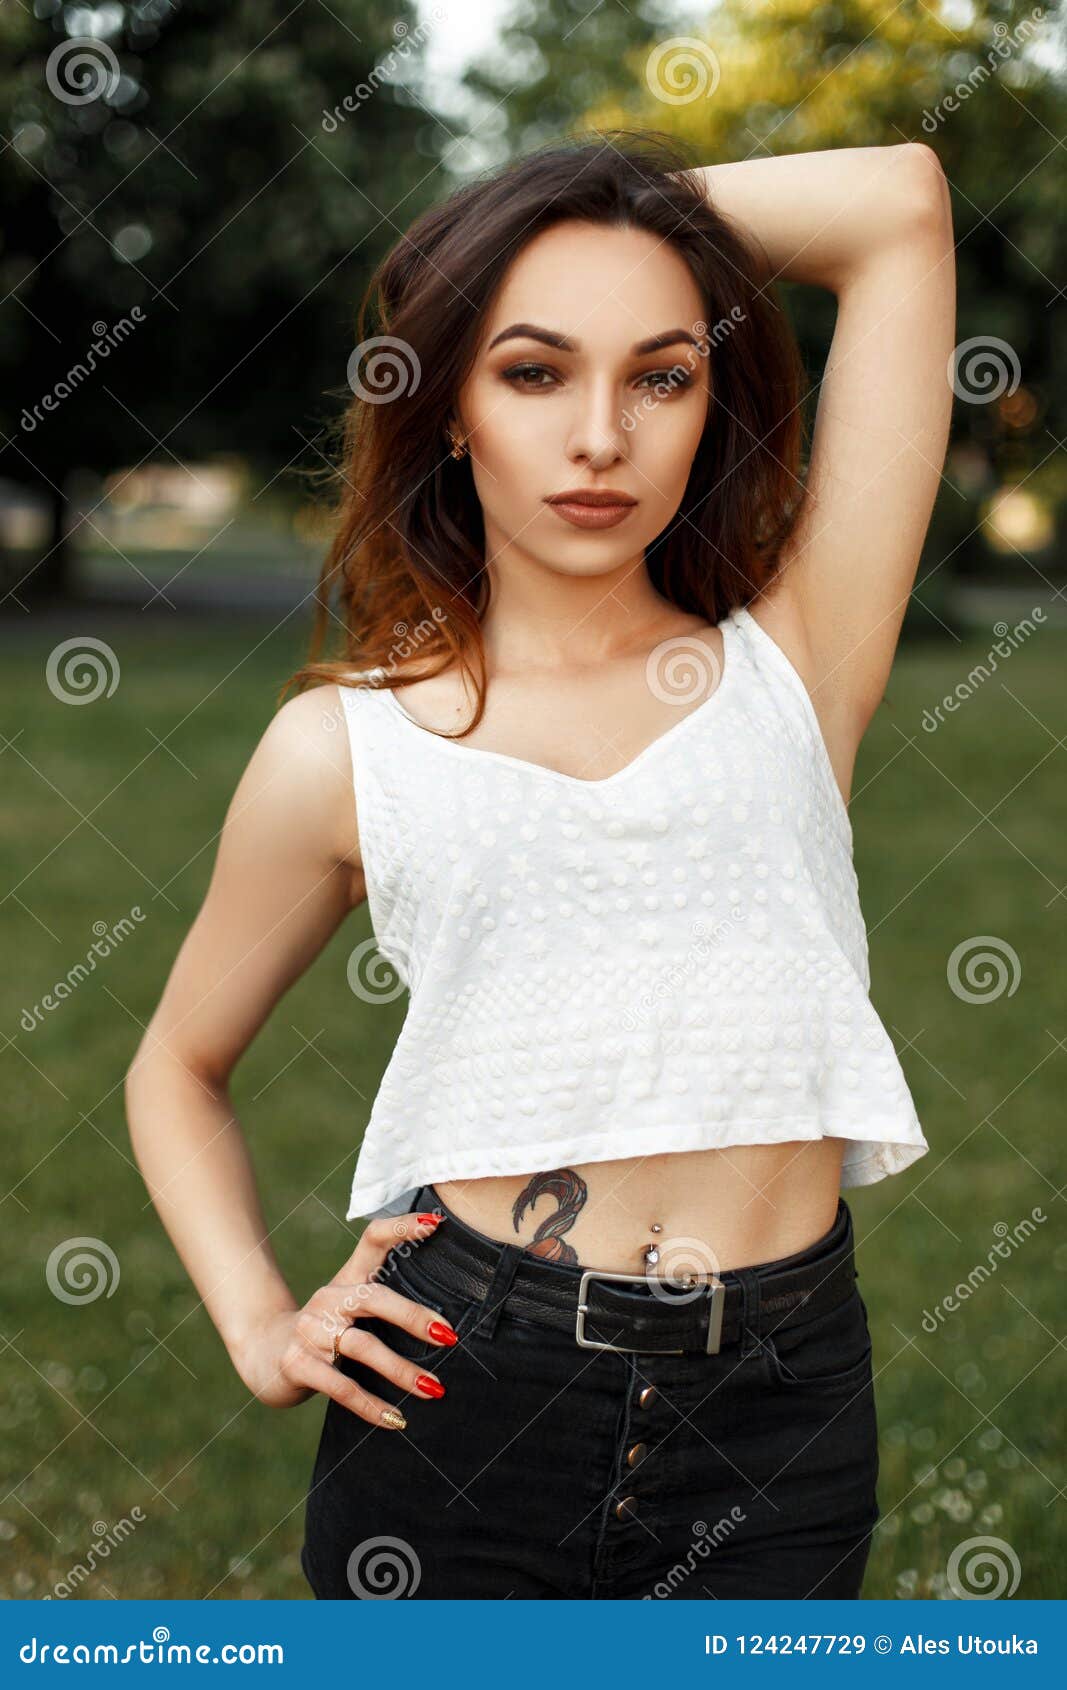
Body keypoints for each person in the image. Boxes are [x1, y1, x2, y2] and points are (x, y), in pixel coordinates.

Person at [125, 131, 954, 1600]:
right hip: (465, 1395)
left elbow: (897, 202)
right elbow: (174, 1065)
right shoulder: (344, 748)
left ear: (708, 405)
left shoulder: (799, 658)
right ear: (448, 404)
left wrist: (614, 216)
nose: (599, 435)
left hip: (780, 1405)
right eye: (530, 369)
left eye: (660, 372)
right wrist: (262, 1321)